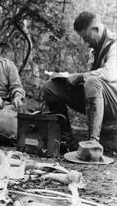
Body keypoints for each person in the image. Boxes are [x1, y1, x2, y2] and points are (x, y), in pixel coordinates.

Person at [42, 11, 116, 150]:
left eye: (86, 37)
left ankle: (93, 143)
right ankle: (65, 139)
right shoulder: (93, 50)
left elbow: (110, 73)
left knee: (92, 81)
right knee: (50, 87)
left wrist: (81, 76)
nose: (85, 43)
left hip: (114, 102)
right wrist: (68, 79)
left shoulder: (115, 44)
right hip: (96, 96)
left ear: (96, 29)